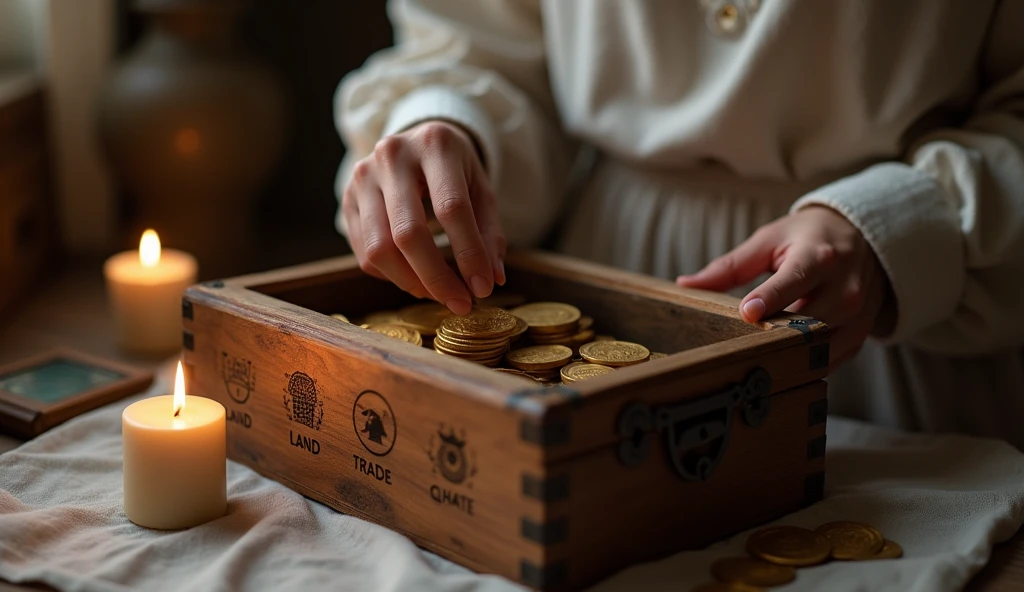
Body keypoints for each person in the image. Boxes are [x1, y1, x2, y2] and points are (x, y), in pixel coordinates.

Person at [333, 0, 1024, 448]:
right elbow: (475, 44)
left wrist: (899, 222)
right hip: (607, 271)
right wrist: (445, 124)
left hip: (888, 333)